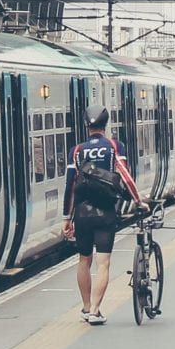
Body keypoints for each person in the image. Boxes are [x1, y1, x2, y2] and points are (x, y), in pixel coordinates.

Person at [61, 108, 141, 324]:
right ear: (106, 126)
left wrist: (66, 218)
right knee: (103, 263)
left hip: (82, 214)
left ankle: (86, 308)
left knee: (83, 260)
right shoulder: (115, 146)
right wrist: (138, 200)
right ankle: (96, 310)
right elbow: (125, 176)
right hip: (105, 211)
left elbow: (69, 185)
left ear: (86, 126)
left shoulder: (76, 151)